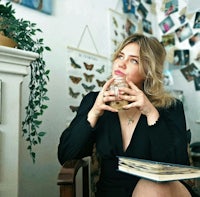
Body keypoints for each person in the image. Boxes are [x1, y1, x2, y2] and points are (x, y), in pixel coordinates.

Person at [58, 33, 198, 197]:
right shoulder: (94, 101)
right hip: (112, 191)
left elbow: (177, 167)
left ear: (148, 71)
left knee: (154, 188)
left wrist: (151, 113)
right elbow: (66, 156)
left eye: (133, 60)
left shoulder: (170, 107)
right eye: (120, 56)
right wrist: (94, 112)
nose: (121, 64)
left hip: (164, 191)